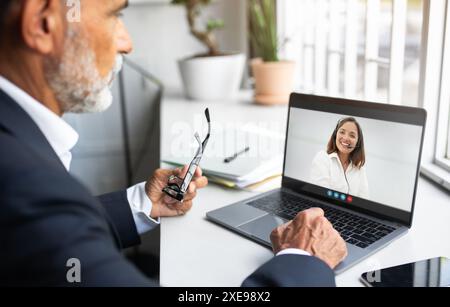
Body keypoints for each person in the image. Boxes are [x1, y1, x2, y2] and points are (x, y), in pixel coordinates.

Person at [0, 0, 347, 287]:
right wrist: (303, 261)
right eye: (115, 16)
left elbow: (45, 238)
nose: (126, 43)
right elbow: (43, 219)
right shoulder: (25, 186)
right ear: (42, 24)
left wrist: (140, 205)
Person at [310, 117, 369, 198]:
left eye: (352, 135)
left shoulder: (360, 169)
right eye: (342, 132)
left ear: (357, 142)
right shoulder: (323, 158)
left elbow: (364, 199)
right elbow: (319, 196)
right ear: (335, 135)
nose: (345, 138)